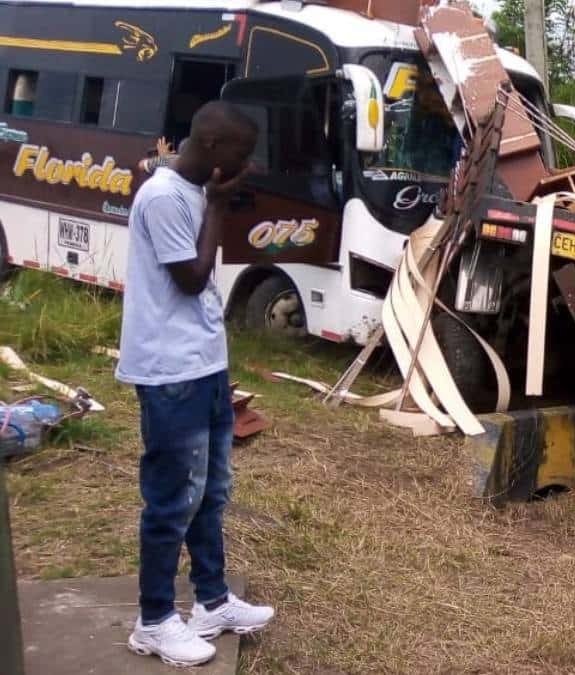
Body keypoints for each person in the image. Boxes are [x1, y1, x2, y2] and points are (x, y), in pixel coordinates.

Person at [116, 102, 275, 667]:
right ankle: (154, 620)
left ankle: (211, 601)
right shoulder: (163, 198)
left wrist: (212, 204)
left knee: (211, 492)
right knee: (171, 500)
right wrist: (216, 206)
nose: (246, 164)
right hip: (169, 374)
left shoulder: (189, 194)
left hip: (204, 366)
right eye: (240, 153)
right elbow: (191, 279)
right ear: (211, 147)